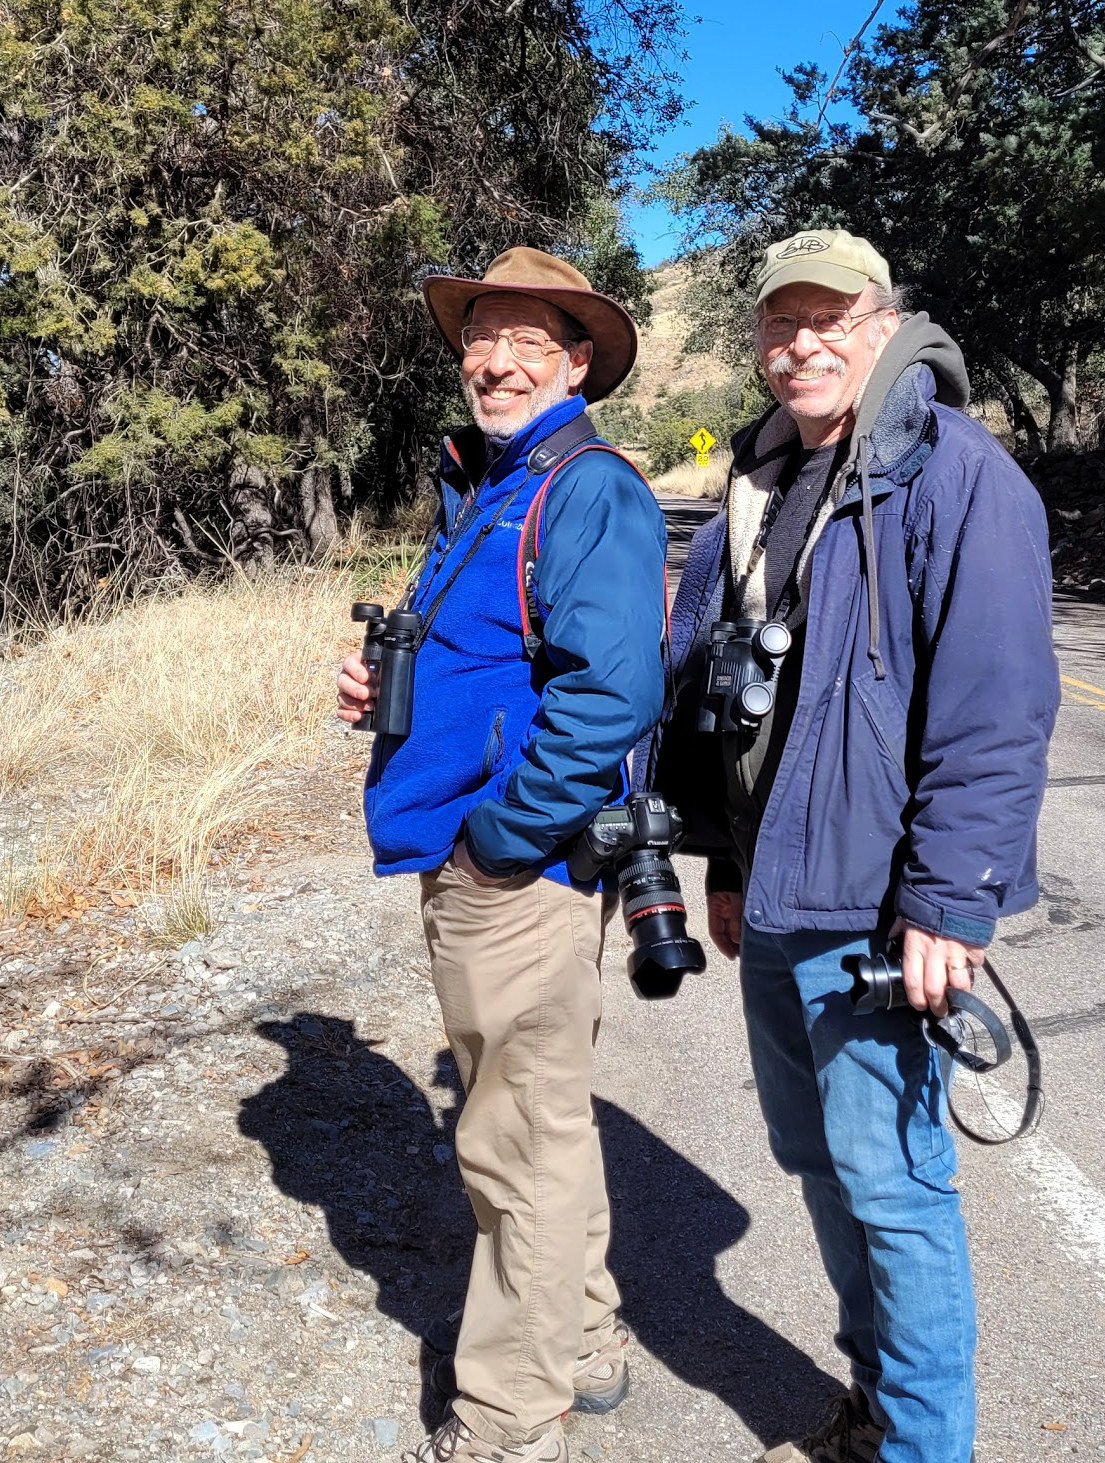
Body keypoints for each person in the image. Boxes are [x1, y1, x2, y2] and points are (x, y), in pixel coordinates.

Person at [644, 229, 1060, 1463]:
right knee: (819, 1161)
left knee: (891, 1181)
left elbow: (996, 709)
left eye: (830, 317)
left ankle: (926, 1446)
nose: (801, 344)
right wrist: (721, 857)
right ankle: (876, 1403)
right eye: (781, 323)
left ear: (884, 323)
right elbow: (726, 696)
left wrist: (948, 903)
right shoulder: (766, 476)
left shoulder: (957, 474)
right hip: (778, 883)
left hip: (879, 909)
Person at [337, 248, 668, 1463]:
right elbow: (496, 658)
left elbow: (614, 694)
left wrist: (498, 840)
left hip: (512, 876)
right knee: (543, 1120)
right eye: (482, 336)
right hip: (486, 856)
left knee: (509, 1143)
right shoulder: (491, 479)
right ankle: (581, 1342)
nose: (497, 359)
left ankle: (505, 1413)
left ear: (578, 361)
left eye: (530, 339)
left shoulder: (586, 489)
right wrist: (388, 688)